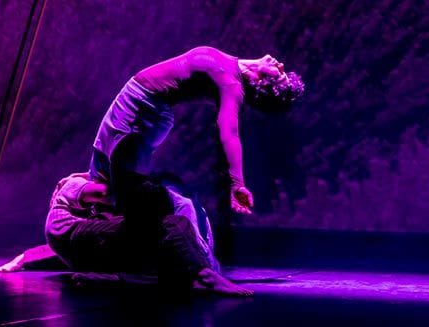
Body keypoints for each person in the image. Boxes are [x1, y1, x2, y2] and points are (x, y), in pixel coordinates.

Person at [88, 46, 304, 249]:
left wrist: (237, 182)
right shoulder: (232, 67)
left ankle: (108, 242)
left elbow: (229, 132)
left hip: (143, 108)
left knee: (112, 185)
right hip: (141, 101)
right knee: (106, 175)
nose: (281, 65)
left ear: (263, 81)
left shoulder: (232, 85)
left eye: (281, 74)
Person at [0, 172, 252, 297]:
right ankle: (204, 275)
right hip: (75, 239)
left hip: (87, 252)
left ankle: (116, 279)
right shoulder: (72, 187)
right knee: (174, 223)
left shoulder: (92, 222)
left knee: (161, 256)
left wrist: (23, 259)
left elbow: (57, 252)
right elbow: (105, 195)